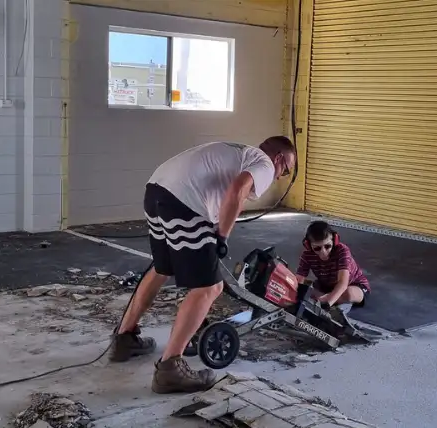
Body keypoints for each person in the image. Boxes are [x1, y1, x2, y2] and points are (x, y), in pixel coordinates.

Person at [110, 137, 297, 393]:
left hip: (155, 191)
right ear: (278, 158)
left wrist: (214, 227)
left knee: (162, 268)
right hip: (182, 201)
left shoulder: (237, 152)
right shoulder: (263, 163)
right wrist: (222, 235)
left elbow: (222, 192)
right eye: (285, 170)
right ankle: (170, 369)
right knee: (209, 287)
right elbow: (237, 191)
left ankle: (124, 338)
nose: (279, 177)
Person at [295, 221, 370, 309]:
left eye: (327, 246)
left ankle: (325, 300)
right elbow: (299, 279)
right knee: (304, 289)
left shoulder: (342, 250)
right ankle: (327, 300)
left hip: (353, 285)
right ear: (308, 245)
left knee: (349, 294)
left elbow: (343, 283)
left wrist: (327, 304)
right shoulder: (307, 255)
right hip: (326, 287)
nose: (323, 252)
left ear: (334, 241)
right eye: (317, 248)